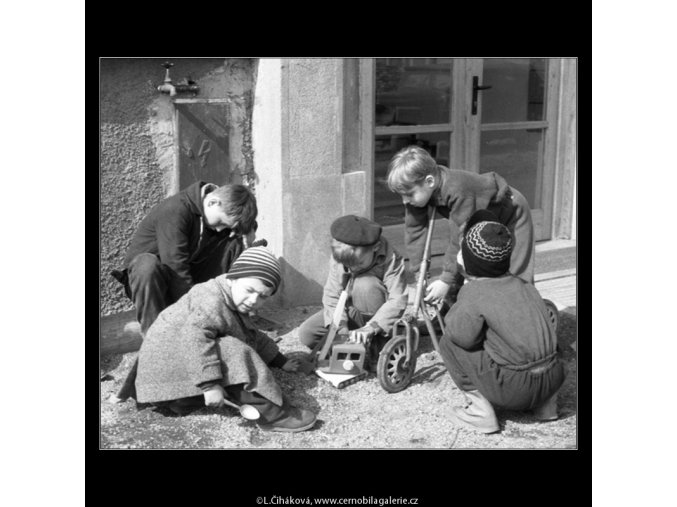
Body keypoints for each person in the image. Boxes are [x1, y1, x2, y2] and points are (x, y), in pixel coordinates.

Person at [134, 246, 317, 433]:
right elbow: (195, 341)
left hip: (170, 374)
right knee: (234, 351)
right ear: (232, 278)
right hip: (162, 371)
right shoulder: (211, 301)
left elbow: (251, 334)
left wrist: (281, 361)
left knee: (232, 345)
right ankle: (272, 416)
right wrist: (209, 385)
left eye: (263, 296)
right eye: (250, 290)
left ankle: (184, 400)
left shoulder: (231, 297)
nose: (254, 299)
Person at [109, 181, 259, 402]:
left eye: (225, 226)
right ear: (212, 201)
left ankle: (225, 322)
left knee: (234, 241)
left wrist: (244, 238)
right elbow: (176, 267)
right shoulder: (176, 209)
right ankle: (155, 341)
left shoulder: (216, 216)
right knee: (146, 265)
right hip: (154, 282)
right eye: (220, 223)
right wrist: (195, 315)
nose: (219, 229)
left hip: (186, 280)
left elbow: (199, 265)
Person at [438, 210, 566, 434]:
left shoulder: (475, 292)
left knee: (450, 343)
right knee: (541, 340)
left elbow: (461, 336)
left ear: (469, 262)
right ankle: (546, 407)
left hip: (514, 391)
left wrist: (455, 308)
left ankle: (480, 413)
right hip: (554, 379)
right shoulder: (525, 285)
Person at [386, 145, 535, 306]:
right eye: (401, 196)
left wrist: (445, 280)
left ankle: (525, 308)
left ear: (429, 181)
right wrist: (419, 274)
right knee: (462, 266)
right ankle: (455, 313)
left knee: (515, 269)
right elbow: (415, 232)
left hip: (510, 211)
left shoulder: (458, 189)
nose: (405, 201)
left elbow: (461, 238)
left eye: (408, 194)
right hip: (479, 219)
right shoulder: (418, 194)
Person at [297, 215, 408, 369]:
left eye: (359, 263)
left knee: (365, 284)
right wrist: (341, 328)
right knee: (308, 333)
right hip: (350, 309)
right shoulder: (342, 253)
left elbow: (397, 299)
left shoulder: (391, 258)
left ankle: (377, 344)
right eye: (347, 265)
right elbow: (332, 295)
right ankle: (352, 344)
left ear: (375, 248)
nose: (352, 269)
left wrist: (372, 327)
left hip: (375, 315)